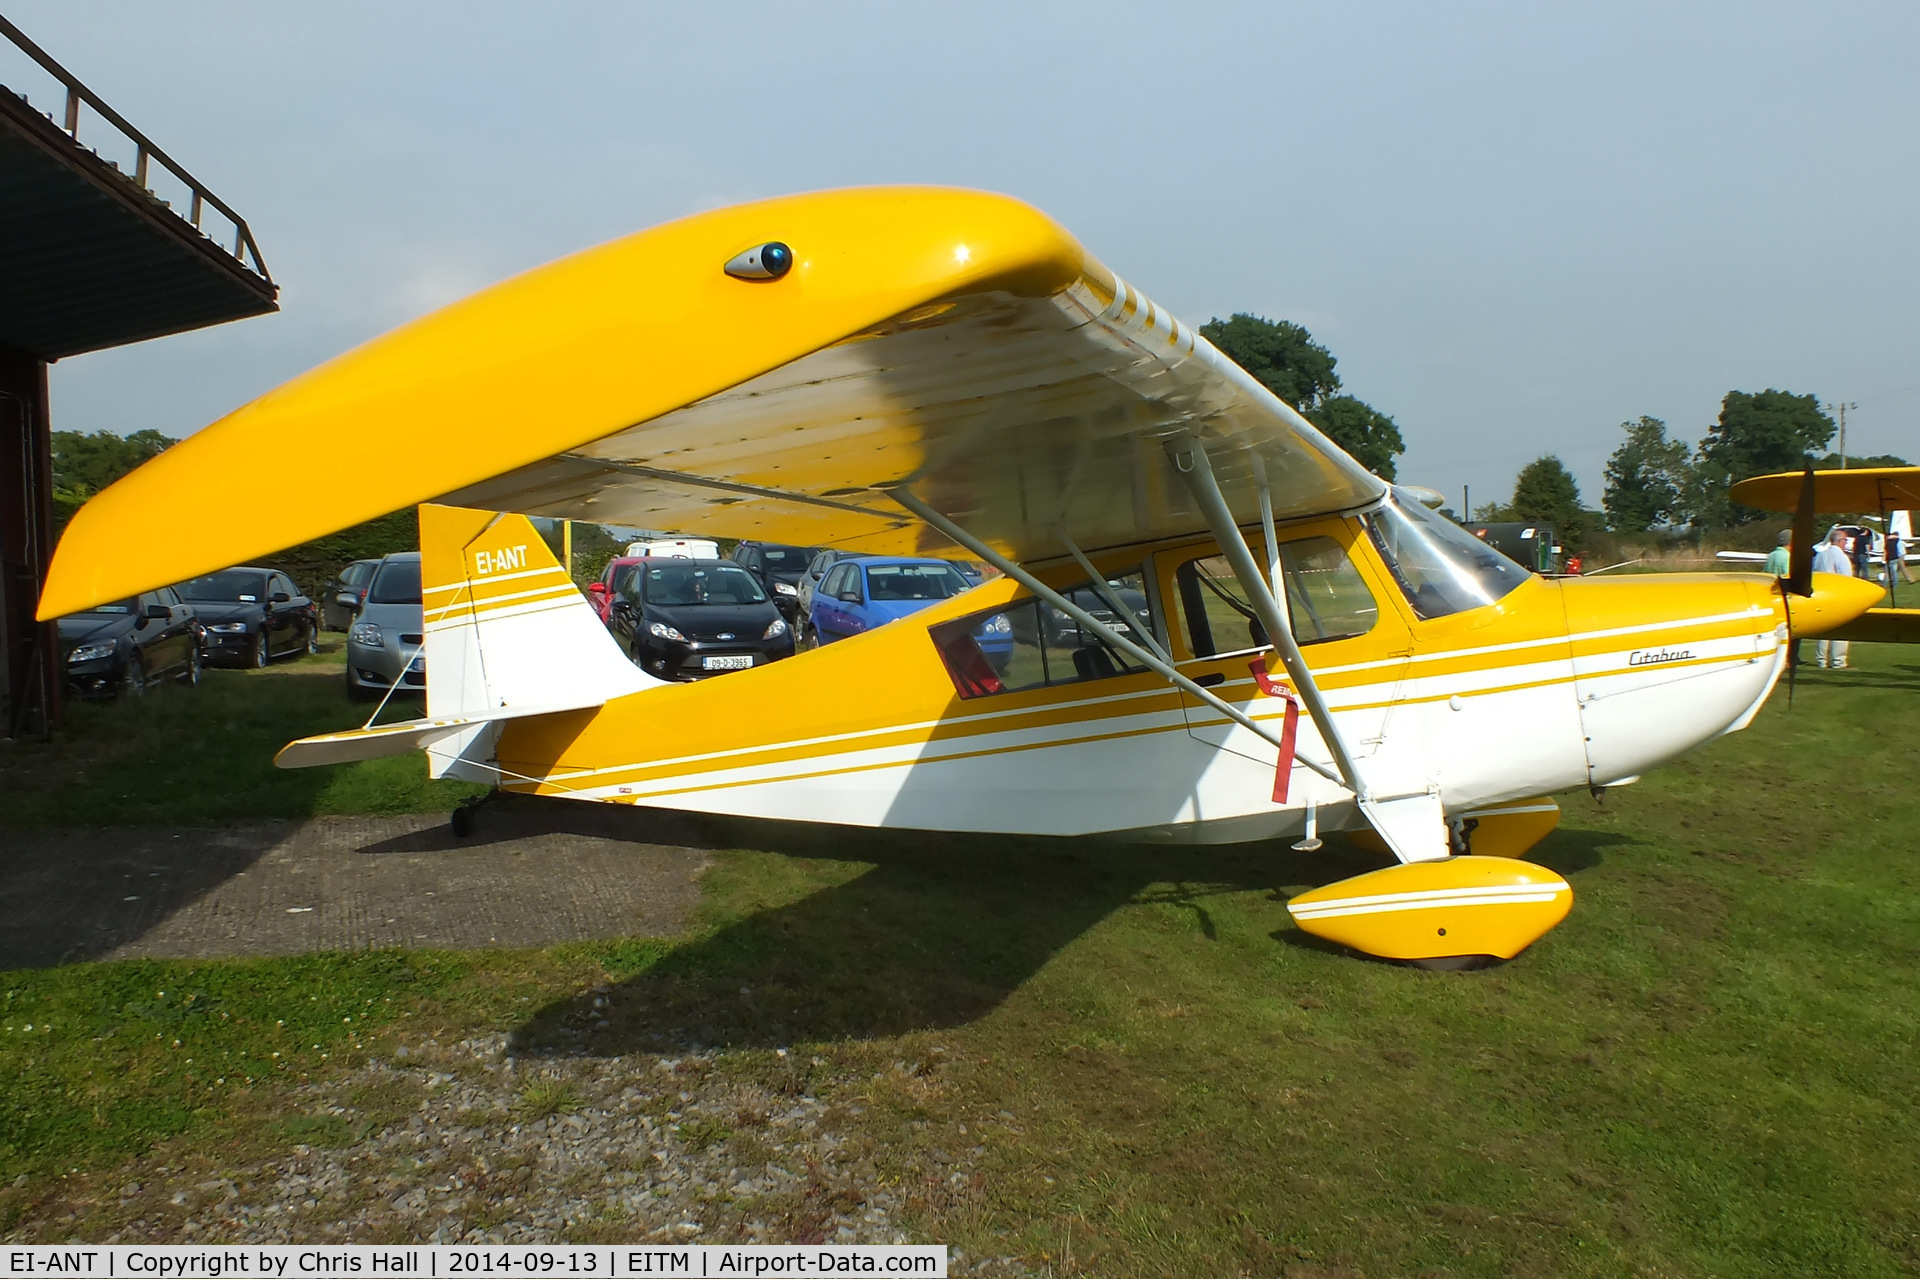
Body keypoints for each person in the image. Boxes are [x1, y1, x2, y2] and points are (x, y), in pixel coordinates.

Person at [1812, 529, 1854, 670]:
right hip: (1837, 598)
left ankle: (1821, 661)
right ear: (1840, 541)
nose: (1846, 543)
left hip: (1821, 596)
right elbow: (1847, 580)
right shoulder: (1842, 557)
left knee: (1824, 630)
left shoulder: (1820, 555)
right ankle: (1839, 661)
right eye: (1845, 541)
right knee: (1841, 630)